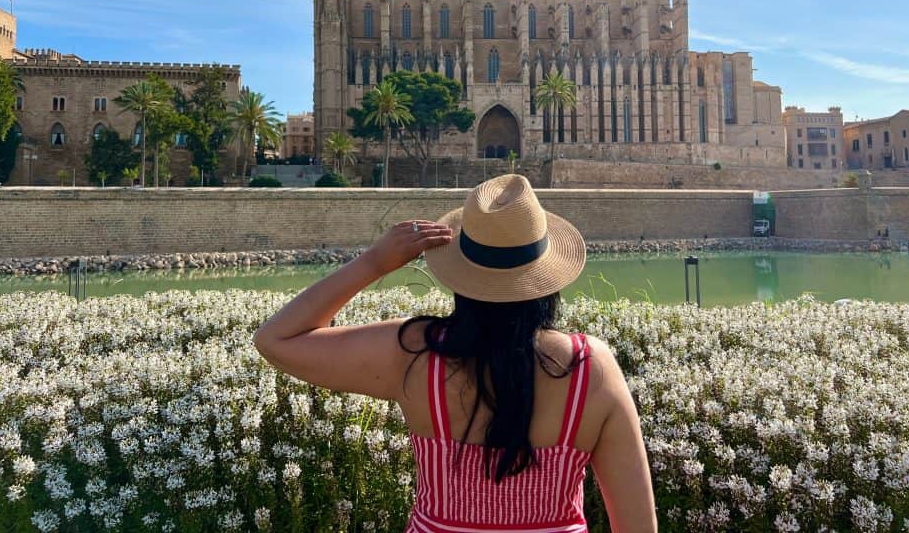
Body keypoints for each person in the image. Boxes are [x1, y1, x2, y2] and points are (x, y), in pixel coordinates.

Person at [254, 174, 657, 532]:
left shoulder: (414, 355)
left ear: (460, 270)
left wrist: (376, 261)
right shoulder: (591, 369)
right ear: (547, 274)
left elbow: (276, 339)